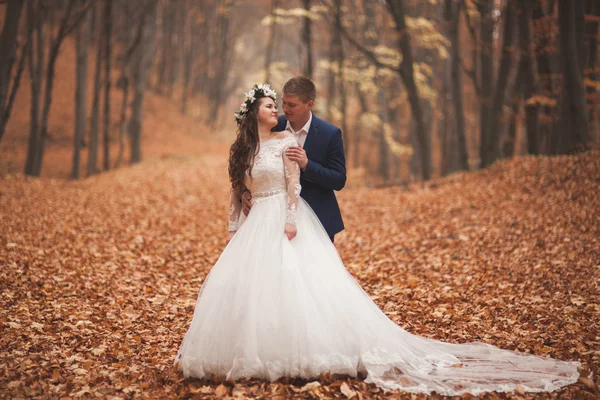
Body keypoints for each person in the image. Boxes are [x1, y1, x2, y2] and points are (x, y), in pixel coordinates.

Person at [174, 84, 580, 396]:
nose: (278, 111)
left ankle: (306, 349)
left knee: (303, 283)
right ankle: (251, 350)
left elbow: (298, 185)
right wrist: (236, 224)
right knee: (254, 287)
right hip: (256, 222)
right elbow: (237, 193)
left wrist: (293, 219)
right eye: (270, 105)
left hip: (287, 217)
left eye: (283, 105)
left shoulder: (288, 143)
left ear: (307, 103)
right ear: (252, 115)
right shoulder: (243, 150)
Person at [241, 76, 346, 243]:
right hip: (275, 220)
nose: (285, 109)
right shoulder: (273, 125)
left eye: (292, 105)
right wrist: (245, 192)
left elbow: (339, 180)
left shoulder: (330, 134)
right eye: (283, 102)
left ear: (309, 104)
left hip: (318, 217)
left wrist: (307, 165)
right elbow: (251, 161)